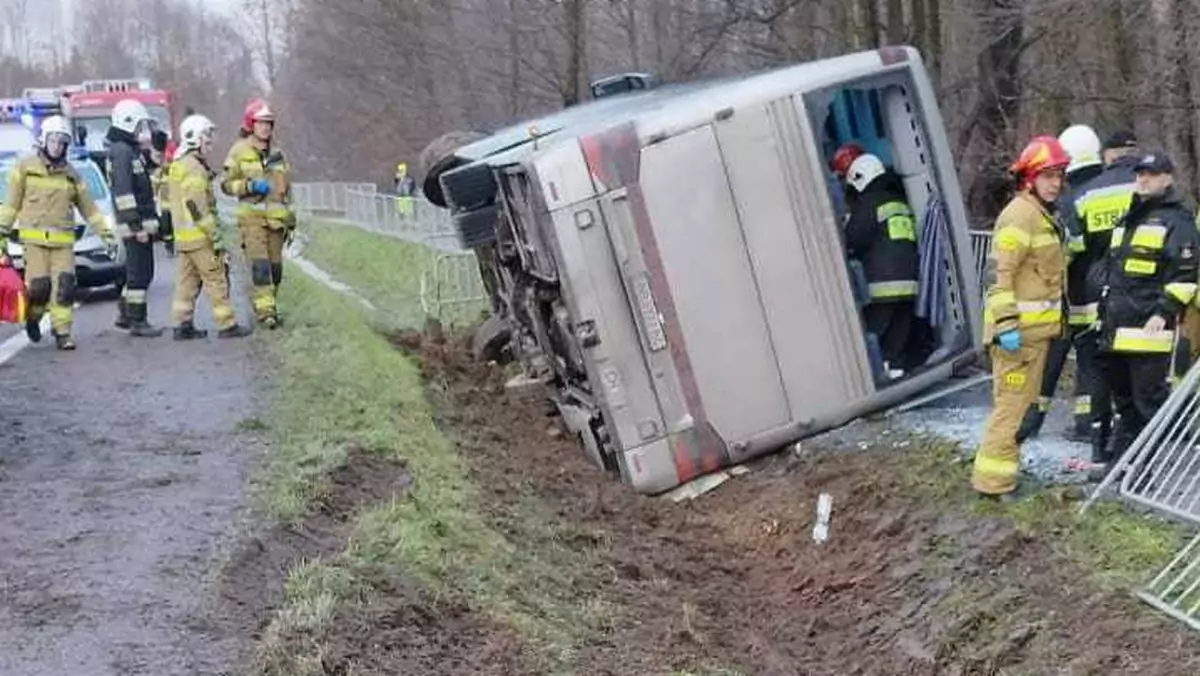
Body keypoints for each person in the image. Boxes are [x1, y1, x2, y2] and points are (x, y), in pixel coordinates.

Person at [972, 136, 1070, 498]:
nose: (1055, 183)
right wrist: (1007, 325)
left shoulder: (1040, 216)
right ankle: (993, 485)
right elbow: (998, 277)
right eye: (1047, 176)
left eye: (1059, 175)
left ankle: (1001, 477)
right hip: (1018, 337)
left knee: (1019, 409)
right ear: (1029, 178)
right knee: (1011, 412)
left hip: (1034, 336)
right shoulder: (1020, 216)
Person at [1093, 152, 1199, 464]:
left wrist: (1162, 312)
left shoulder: (1177, 220)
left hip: (1148, 330)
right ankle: (1125, 467)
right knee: (1124, 403)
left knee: (1147, 404)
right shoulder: (1129, 217)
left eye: (1151, 174)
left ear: (1168, 178)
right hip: (1116, 327)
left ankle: (1142, 472)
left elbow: (1185, 274)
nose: (1143, 179)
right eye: (1140, 174)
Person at [1016, 124, 1106, 443]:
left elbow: (1068, 252)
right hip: (1106, 298)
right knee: (1090, 364)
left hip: (1070, 298)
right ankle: (1086, 423)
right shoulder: (1114, 188)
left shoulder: (1071, 199)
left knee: (1049, 365)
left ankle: (1031, 421)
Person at [0, 115, 113, 350]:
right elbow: (11, 204)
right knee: (39, 288)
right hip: (34, 243)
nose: (58, 146)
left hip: (63, 243)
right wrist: (2, 232)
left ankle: (63, 333)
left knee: (65, 287)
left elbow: (90, 208)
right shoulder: (25, 168)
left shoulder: (72, 174)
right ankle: (34, 318)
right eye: (54, 141)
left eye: (62, 142)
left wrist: (106, 235)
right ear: (43, 140)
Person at [168, 114, 252, 341]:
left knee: (187, 283)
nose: (210, 143)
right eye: (207, 137)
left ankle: (181, 324)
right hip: (199, 238)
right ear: (194, 138)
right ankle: (227, 325)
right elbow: (198, 206)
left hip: (184, 239)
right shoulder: (194, 168)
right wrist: (215, 236)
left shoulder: (178, 165)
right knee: (216, 279)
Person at [221, 98, 295, 329]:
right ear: (251, 124)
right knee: (260, 268)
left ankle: (269, 304)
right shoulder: (239, 151)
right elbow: (226, 184)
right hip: (251, 222)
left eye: (269, 123)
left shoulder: (278, 155)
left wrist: (291, 220)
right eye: (261, 123)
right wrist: (249, 186)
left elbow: (287, 191)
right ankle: (266, 314)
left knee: (275, 270)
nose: (265, 127)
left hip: (275, 223)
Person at [843, 152, 919, 376]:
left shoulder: (870, 202)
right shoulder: (899, 200)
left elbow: (853, 238)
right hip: (910, 284)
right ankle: (897, 380)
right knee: (895, 346)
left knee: (872, 341)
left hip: (882, 287)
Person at [107, 98, 164, 337]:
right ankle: (137, 321)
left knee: (139, 272)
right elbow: (124, 192)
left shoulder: (128, 150)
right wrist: (135, 224)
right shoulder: (121, 152)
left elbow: (148, 168)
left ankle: (125, 313)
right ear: (128, 122)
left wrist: (158, 148)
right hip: (135, 224)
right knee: (140, 274)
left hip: (139, 222)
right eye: (140, 126)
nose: (143, 131)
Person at [147, 129, 176, 257]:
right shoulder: (160, 172)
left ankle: (175, 245)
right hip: (165, 207)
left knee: (176, 228)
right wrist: (153, 200)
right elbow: (154, 186)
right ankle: (169, 247)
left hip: (177, 206)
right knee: (166, 229)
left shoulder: (176, 172)